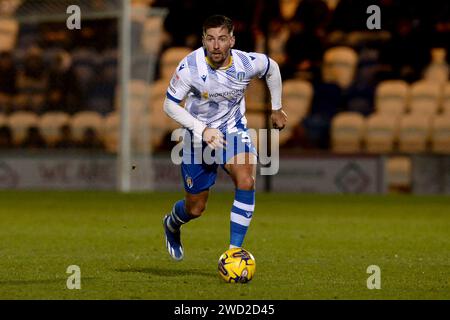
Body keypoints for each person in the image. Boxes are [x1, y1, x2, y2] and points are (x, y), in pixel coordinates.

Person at [162, 15, 287, 261]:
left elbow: (272, 68)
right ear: (203, 41)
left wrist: (277, 107)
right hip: (198, 138)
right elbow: (169, 105)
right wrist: (202, 129)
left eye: (221, 38)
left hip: (233, 130)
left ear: (232, 40)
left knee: (246, 180)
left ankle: (234, 252)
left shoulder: (246, 63)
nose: (216, 45)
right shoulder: (190, 67)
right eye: (210, 39)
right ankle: (172, 224)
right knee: (195, 208)